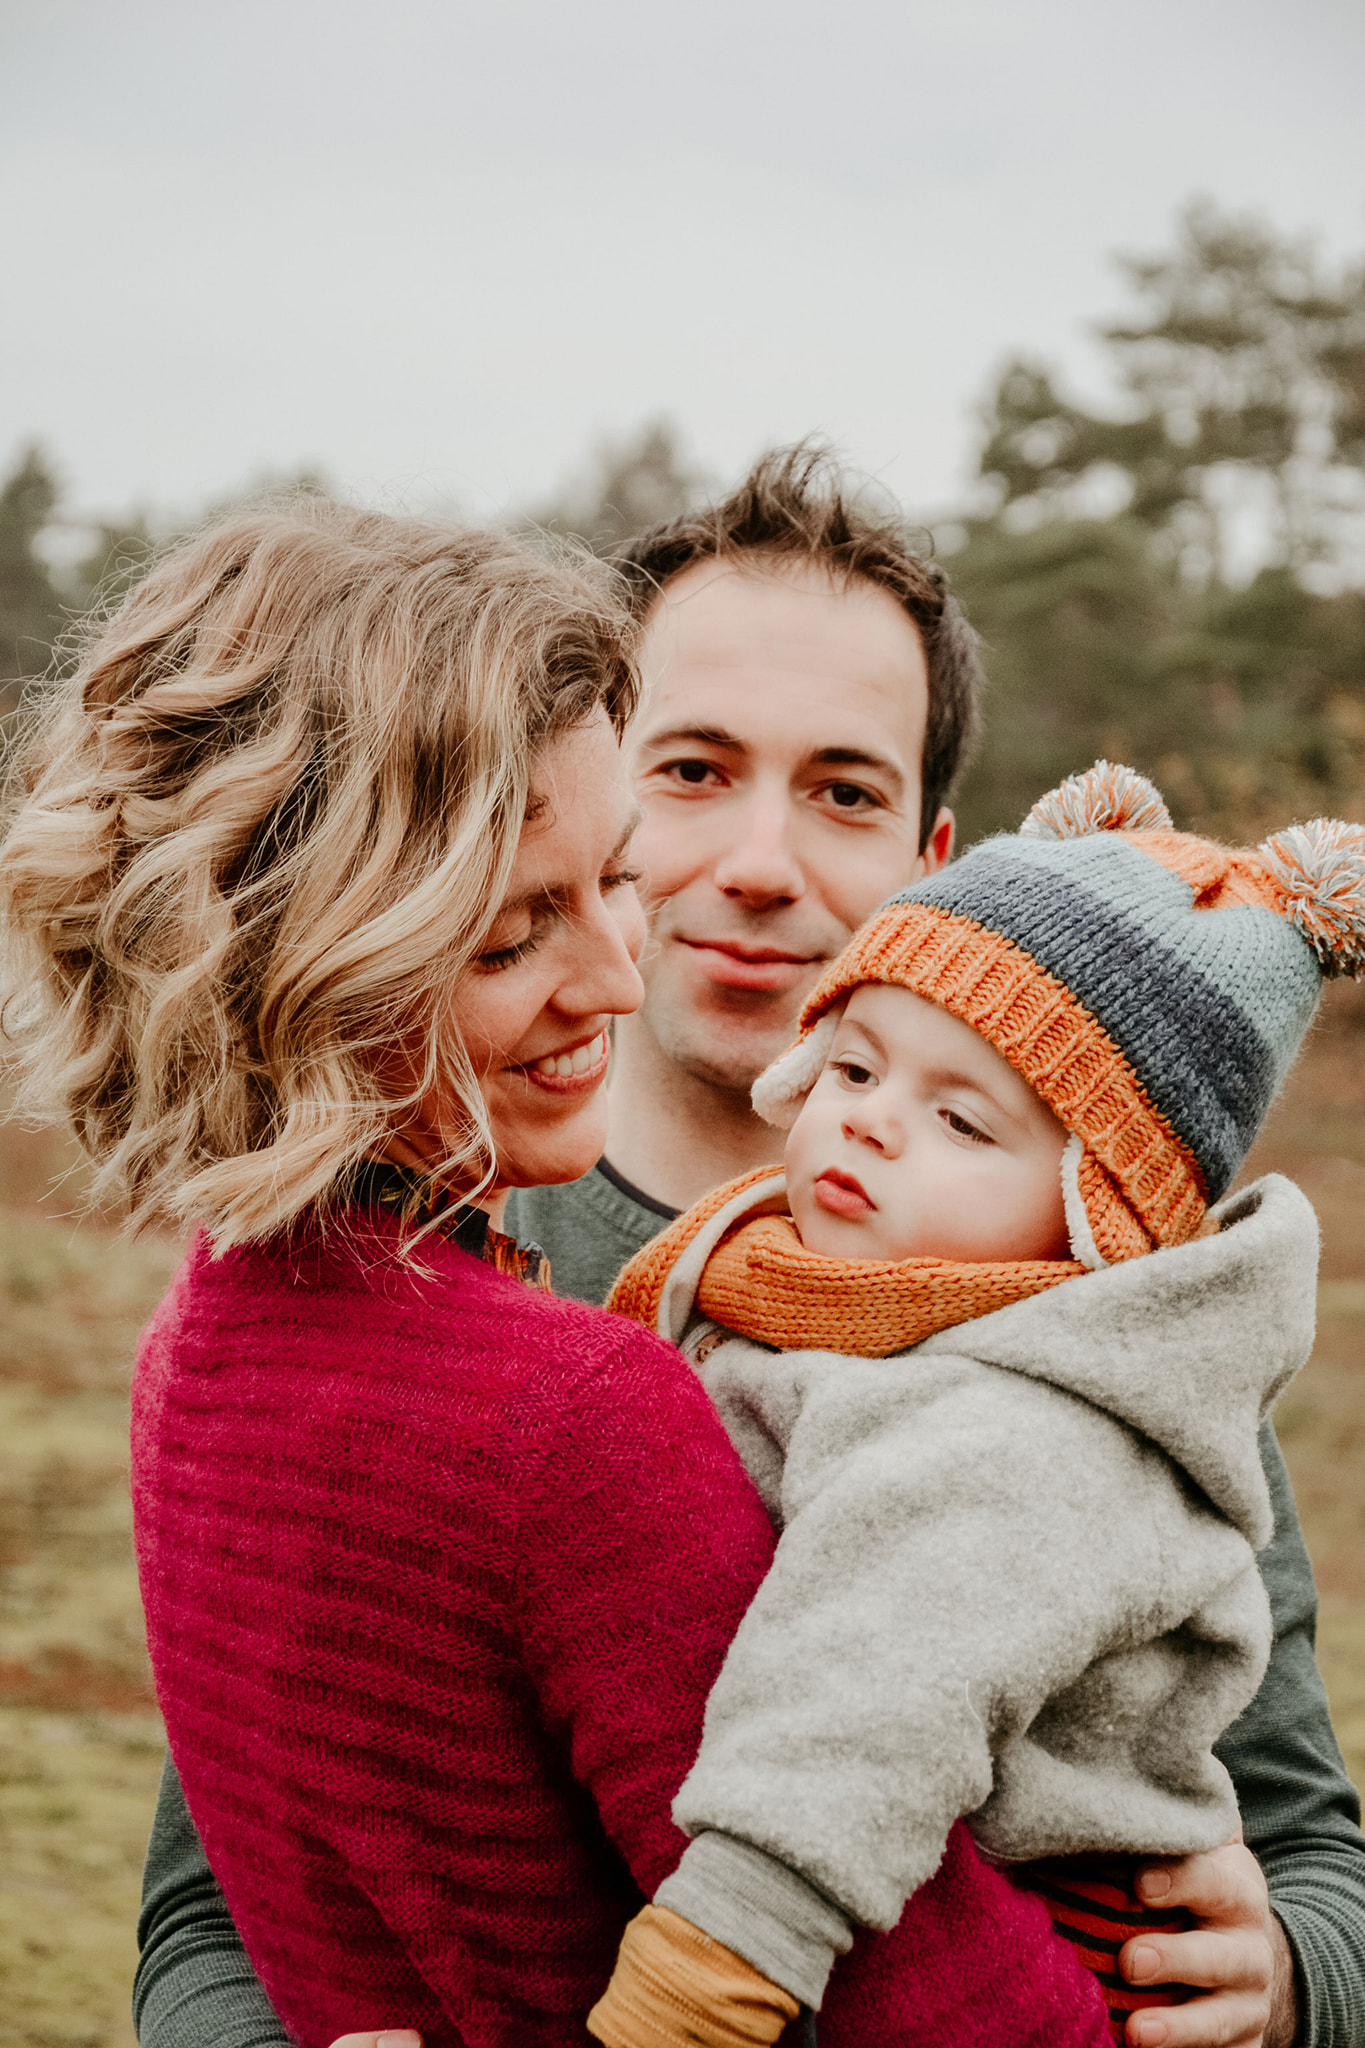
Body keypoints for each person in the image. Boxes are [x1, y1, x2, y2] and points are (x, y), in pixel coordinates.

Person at [131, 453, 1365, 2047]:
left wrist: (1292, 1982)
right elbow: (219, 1885)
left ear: (941, 870)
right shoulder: (438, 1266)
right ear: (579, 791)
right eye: (693, 772)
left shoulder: (1111, 1326)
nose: (760, 864)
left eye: (844, 792)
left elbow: (1305, 1838)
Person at [591, 762, 1365, 2046]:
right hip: (851, 1901)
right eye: (853, 1067)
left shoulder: (1027, 1429)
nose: (873, 1125)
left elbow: (863, 1705)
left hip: (997, 1946)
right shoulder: (794, 1290)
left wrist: (688, 1994)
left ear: (1095, 1222)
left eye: (960, 1117)